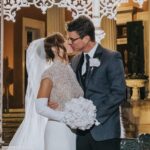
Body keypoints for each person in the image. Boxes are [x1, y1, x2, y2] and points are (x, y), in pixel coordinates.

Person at [8, 33, 83, 150]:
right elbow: (40, 107)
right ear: (54, 49)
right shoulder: (49, 73)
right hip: (58, 130)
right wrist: (65, 117)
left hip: (74, 130)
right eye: (65, 41)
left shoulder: (70, 70)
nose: (69, 42)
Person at [66, 15, 126, 150]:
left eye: (73, 39)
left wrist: (94, 118)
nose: (70, 42)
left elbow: (119, 93)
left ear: (86, 38)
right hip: (81, 133)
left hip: (105, 131)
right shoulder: (75, 61)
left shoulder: (111, 57)